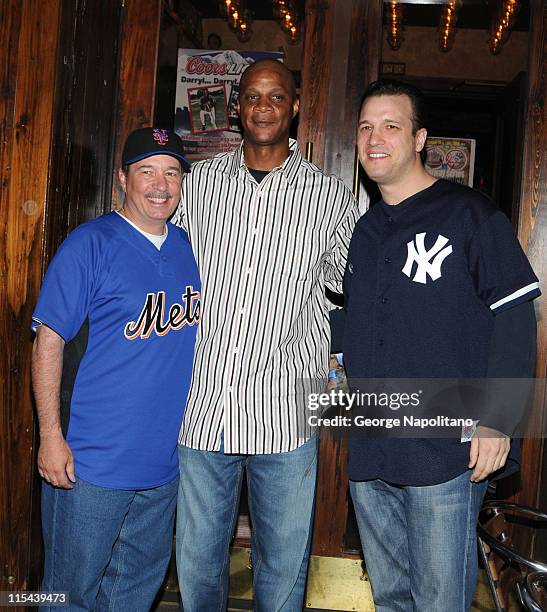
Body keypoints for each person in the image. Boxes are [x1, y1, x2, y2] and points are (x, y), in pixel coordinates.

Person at [172, 59, 362, 611]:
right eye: (252, 96)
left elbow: (355, 289)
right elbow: (163, 269)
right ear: (236, 105)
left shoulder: (329, 197)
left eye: (275, 97)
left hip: (285, 411)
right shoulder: (198, 186)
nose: (262, 107)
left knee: (282, 566)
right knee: (199, 559)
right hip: (203, 406)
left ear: (294, 107)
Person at [344, 79, 540, 611]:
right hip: (372, 447)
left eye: (391, 125)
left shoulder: (471, 216)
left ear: (420, 138)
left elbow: (516, 317)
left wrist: (498, 419)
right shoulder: (363, 232)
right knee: (390, 597)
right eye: (365, 126)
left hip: (444, 451)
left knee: (439, 601)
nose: (375, 137)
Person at [32, 128, 200, 611]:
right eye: (146, 171)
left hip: (164, 467)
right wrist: (49, 435)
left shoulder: (187, 246)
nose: (160, 184)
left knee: (132, 594)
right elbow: (48, 343)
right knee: (68, 595)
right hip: (91, 464)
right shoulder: (90, 243)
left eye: (171, 173)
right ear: (122, 178)